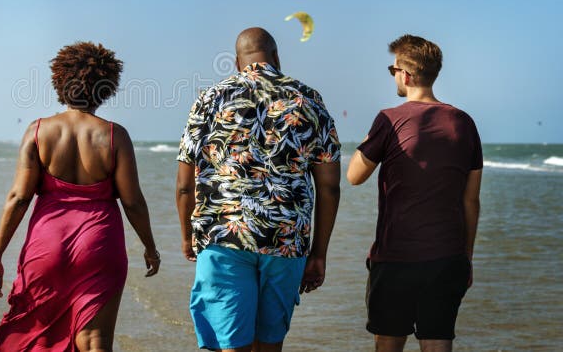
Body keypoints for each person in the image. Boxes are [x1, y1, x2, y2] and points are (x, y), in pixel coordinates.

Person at [176, 27, 342, 352]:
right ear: (277, 57)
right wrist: (318, 254)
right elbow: (330, 187)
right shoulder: (308, 99)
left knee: (230, 345)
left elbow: (185, 184)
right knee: (269, 345)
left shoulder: (210, 99)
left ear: (237, 62)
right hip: (286, 239)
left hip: (223, 236)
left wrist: (187, 236)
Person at [0, 41, 160, 352]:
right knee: (95, 341)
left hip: (46, 244)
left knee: (39, 335)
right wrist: (150, 246)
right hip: (99, 243)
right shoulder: (114, 135)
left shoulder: (38, 131)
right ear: (106, 86)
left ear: (60, 81)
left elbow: (18, 198)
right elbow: (132, 201)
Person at [346, 35, 482, 352]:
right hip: (449, 256)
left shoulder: (389, 119)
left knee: (389, 342)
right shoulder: (464, 123)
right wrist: (467, 258)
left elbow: (354, 176)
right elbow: (470, 201)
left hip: (396, 257)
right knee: (438, 342)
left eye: (392, 69)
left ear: (405, 75)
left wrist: (372, 135)